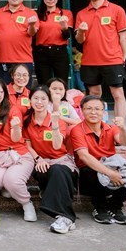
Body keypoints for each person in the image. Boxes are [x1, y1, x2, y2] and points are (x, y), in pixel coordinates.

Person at [22, 86, 78, 234]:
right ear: (30, 100)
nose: (39, 102)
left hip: (61, 161)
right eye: (35, 98)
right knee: (47, 170)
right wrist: (38, 158)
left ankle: (66, 217)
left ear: (49, 102)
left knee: (58, 170)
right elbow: (27, 145)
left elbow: (57, 145)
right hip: (42, 163)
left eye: (43, 99)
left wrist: (55, 125)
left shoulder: (57, 119)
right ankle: (65, 215)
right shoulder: (27, 121)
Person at [0, 76, 36, 222]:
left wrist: (16, 127)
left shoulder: (13, 110)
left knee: (12, 181)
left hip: (19, 153)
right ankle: (8, 186)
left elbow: (16, 139)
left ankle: (27, 203)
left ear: (4, 93)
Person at [71, 95, 126, 225]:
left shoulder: (110, 128)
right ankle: (99, 208)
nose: (93, 112)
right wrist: (110, 173)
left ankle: (115, 207)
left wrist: (123, 128)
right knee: (91, 172)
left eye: (97, 109)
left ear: (103, 112)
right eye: (89, 108)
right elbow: (84, 156)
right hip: (88, 174)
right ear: (82, 110)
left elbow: (124, 142)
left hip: (110, 167)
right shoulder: (77, 130)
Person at [76, 0, 126, 119]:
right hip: (90, 61)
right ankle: (96, 125)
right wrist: (81, 31)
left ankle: (119, 127)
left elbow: (124, 37)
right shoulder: (81, 14)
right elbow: (79, 40)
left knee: (118, 94)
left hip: (113, 60)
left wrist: (122, 59)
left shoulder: (117, 10)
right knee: (94, 95)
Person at [0, 0, 37, 88]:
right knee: (4, 90)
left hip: (24, 60)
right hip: (4, 60)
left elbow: (32, 33)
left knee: (24, 90)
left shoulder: (31, 13)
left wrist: (31, 25)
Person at [33, 0, 74, 86]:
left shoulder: (66, 13)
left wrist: (64, 27)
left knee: (61, 84)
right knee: (43, 84)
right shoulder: (37, 14)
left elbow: (67, 36)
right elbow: (32, 35)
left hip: (60, 52)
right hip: (41, 52)